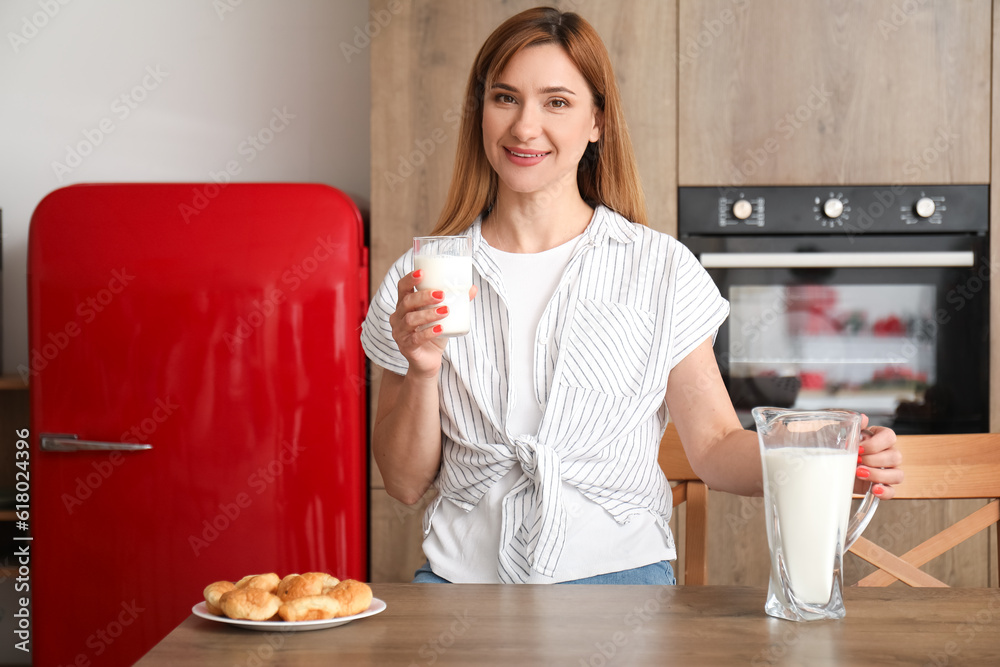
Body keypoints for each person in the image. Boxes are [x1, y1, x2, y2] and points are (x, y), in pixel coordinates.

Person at [361, 6, 903, 585]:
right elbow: (404, 481)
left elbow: (717, 445)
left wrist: (825, 458)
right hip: (460, 588)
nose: (524, 127)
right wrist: (422, 372)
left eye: (557, 102)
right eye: (505, 97)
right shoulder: (422, 276)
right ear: (480, 113)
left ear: (597, 121)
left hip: (621, 585)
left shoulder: (660, 268)